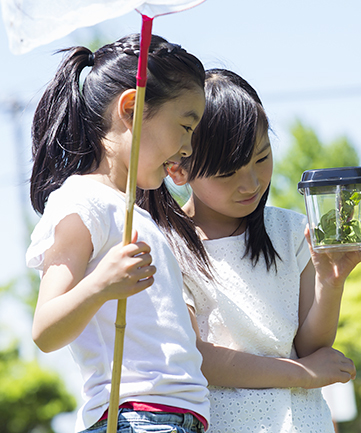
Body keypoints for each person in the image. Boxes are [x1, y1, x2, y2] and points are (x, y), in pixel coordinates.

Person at [138, 69, 361, 432]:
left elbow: (310, 344)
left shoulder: (291, 230)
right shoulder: (166, 245)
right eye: (227, 173)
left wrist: (332, 283)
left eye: (262, 158)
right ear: (177, 169)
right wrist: (301, 374)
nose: (250, 184)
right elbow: (195, 357)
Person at [25, 34, 211, 433]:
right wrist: (102, 285)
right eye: (185, 126)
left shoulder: (138, 214)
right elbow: (44, 329)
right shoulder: (81, 201)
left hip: (175, 418)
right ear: (132, 108)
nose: (187, 147)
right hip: (135, 416)